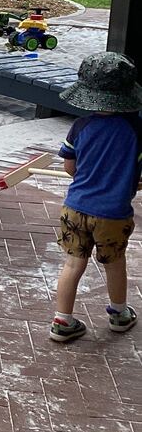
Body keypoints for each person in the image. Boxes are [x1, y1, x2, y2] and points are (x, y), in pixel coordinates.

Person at [49, 52, 142, 343]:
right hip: (113, 214)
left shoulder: (80, 126)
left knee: (72, 264)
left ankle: (62, 322)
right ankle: (119, 314)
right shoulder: (136, 130)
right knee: (114, 263)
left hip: (75, 208)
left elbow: (70, 166)